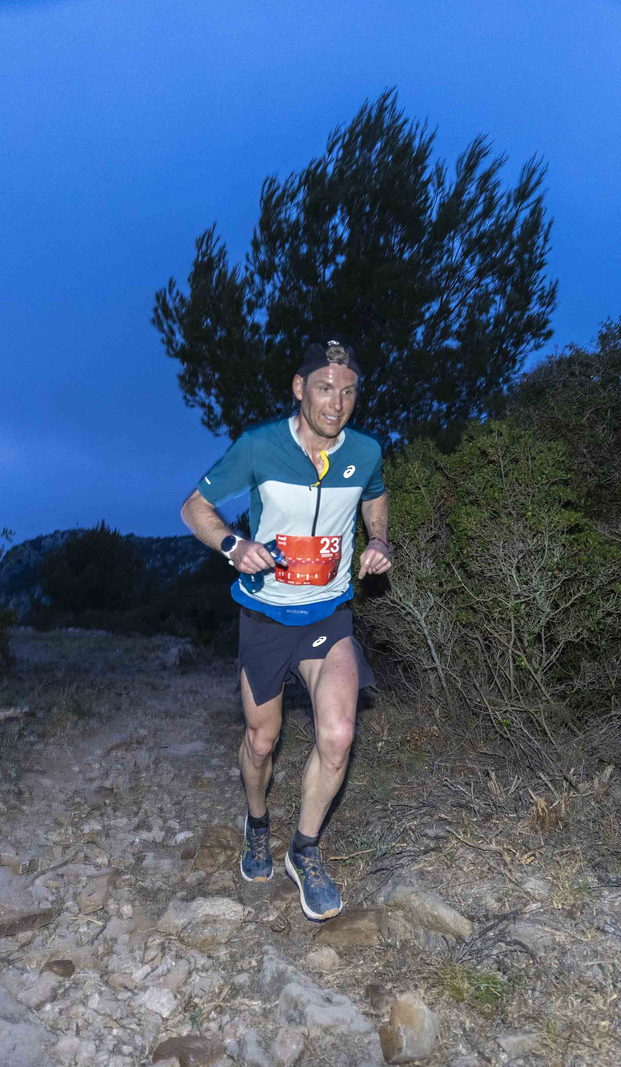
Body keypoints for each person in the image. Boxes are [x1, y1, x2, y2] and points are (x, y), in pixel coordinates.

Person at [179, 339, 392, 921]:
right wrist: (233, 544)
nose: (336, 403)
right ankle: (257, 822)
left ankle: (305, 848)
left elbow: (375, 498)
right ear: (300, 389)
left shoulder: (366, 451)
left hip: (328, 614)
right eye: (324, 388)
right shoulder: (258, 445)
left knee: (338, 734)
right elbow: (194, 506)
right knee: (261, 740)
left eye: (348, 391)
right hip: (265, 616)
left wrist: (379, 540)